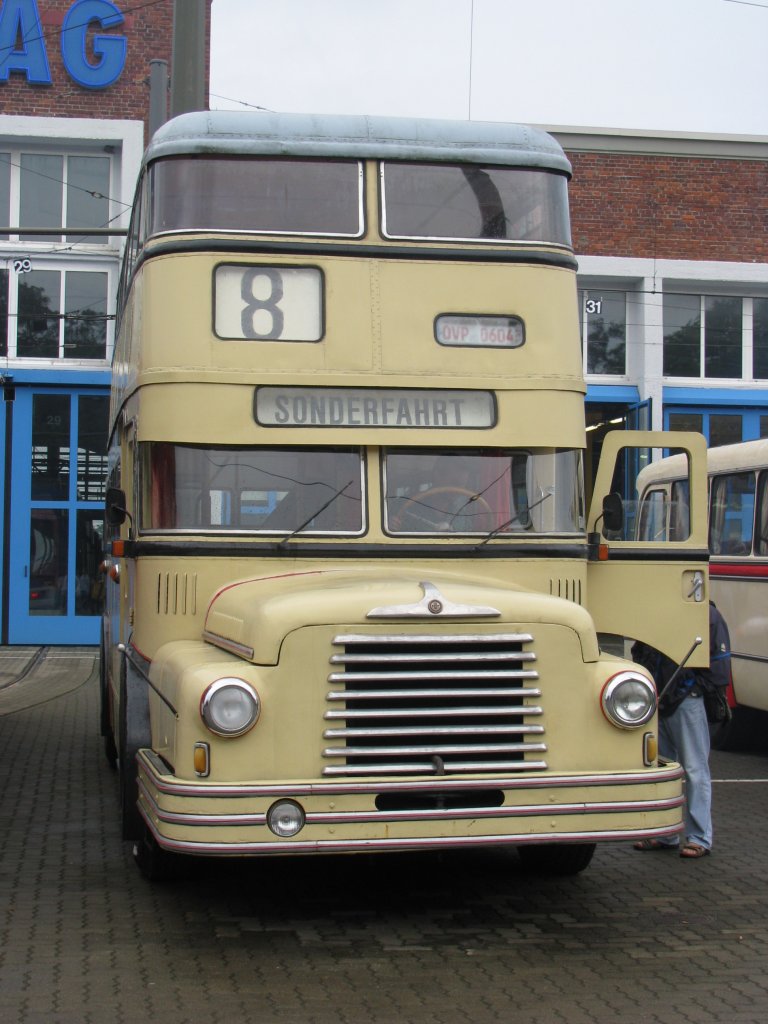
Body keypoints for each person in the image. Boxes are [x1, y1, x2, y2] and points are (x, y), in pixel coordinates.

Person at [631, 601, 731, 859]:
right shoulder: (665, 611)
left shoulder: (706, 615)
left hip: (685, 701)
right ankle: (668, 833)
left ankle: (699, 838)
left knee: (694, 769)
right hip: (663, 700)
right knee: (666, 770)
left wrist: (692, 689)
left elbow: (719, 664)